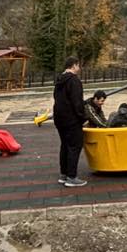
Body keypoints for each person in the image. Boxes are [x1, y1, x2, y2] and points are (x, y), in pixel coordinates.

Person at [52, 56, 88, 188]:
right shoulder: (74, 81)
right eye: (78, 66)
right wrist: (83, 118)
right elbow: (77, 102)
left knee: (65, 145)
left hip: (59, 118)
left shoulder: (59, 80)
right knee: (74, 146)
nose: (79, 68)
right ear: (74, 65)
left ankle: (64, 174)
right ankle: (72, 177)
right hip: (71, 119)